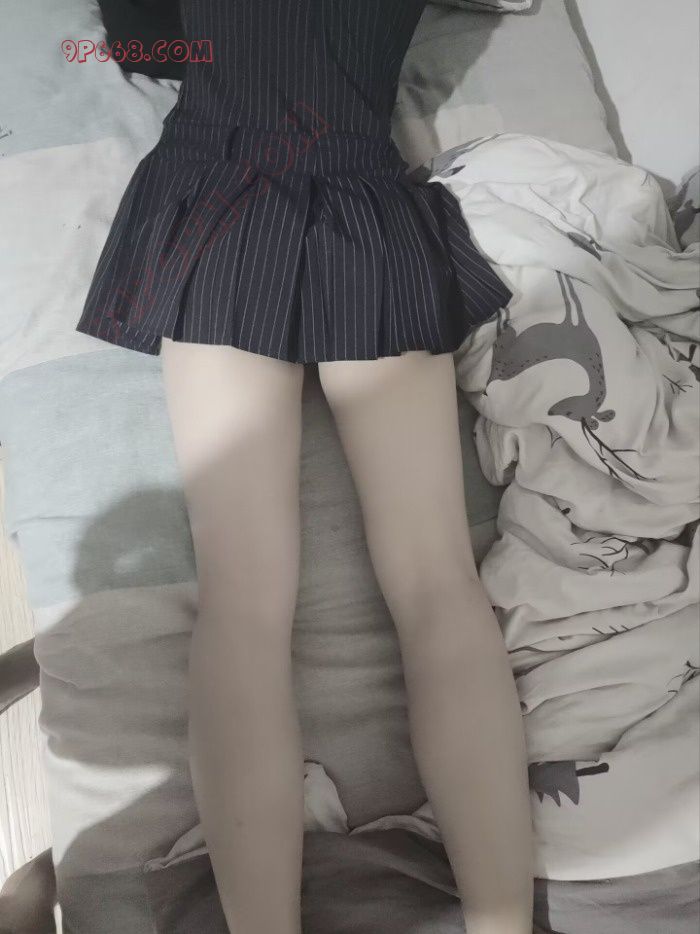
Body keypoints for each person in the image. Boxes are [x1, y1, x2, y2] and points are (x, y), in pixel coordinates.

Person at [75, 2, 535, 932]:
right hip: (366, 206)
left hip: (218, 197)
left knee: (244, 598)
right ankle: (501, 920)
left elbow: (138, 46)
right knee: (439, 584)